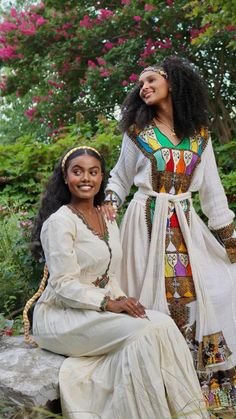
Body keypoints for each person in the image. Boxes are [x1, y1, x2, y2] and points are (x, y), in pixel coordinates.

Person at [25, 146, 208, 419]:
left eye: (93, 172)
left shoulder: (107, 217)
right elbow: (62, 285)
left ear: (101, 178)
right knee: (146, 332)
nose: (85, 178)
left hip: (93, 311)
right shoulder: (59, 222)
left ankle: (188, 413)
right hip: (60, 317)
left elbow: (109, 275)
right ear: (65, 177)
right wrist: (108, 303)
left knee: (162, 324)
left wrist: (123, 301)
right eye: (77, 172)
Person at [103, 56, 236, 411]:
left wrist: (231, 244)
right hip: (145, 224)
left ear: (173, 83)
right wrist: (108, 203)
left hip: (187, 226)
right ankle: (158, 391)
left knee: (214, 291)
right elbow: (119, 177)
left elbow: (213, 195)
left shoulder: (201, 138)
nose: (143, 87)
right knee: (151, 305)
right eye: (140, 85)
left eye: (150, 80)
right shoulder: (138, 133)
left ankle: (202, 393)